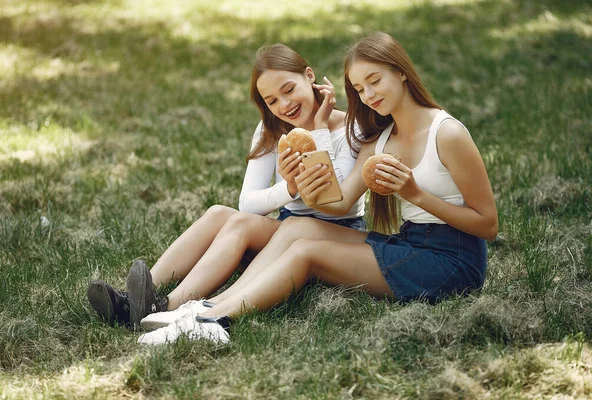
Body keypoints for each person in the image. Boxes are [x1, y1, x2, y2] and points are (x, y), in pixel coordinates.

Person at [143, 31, 498, 345]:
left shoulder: (447, 133)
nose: (369, 95)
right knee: (298, 226)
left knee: (306, 253)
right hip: (410, 242)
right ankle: (208, 308)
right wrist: (298, 183)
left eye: (375, 81)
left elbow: (487, 225)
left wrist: (417, 195)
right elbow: (336, 201)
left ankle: (216, 319)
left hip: (453, 262)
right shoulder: (381, 141)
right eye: (359, 88)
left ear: (401, 71)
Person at [87, 43, 366, 329]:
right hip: (288, 227)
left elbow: (335, 196)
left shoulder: (350, 128)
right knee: (220, 213)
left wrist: (319, 128)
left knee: (243, 225)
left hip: (336, 232)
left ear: (309, 76)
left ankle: (166, 305)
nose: (284, 105)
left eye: (289, 89)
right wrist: (289, 189)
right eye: (271, 101)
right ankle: (136, 298)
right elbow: (248, 203)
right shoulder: (272, 129)